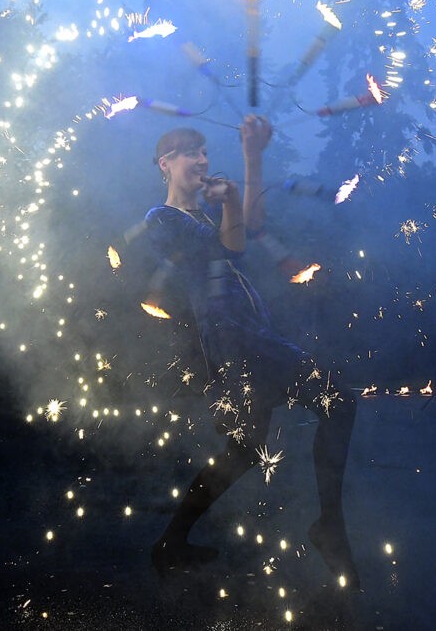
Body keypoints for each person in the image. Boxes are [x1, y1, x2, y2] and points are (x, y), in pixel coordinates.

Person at [143, 114, 360, 589]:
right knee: (339, 401)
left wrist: (252, 157)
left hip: (246, 334)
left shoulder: (204, 214)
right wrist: (230, 202)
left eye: (205, 152)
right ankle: (329, 526)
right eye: (191, 153)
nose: (203, 160)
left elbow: (251, 224)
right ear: (165, 164)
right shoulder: (161, 219)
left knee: (243, 450)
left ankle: (170, 544)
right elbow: (229, 249)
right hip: (236, 340)